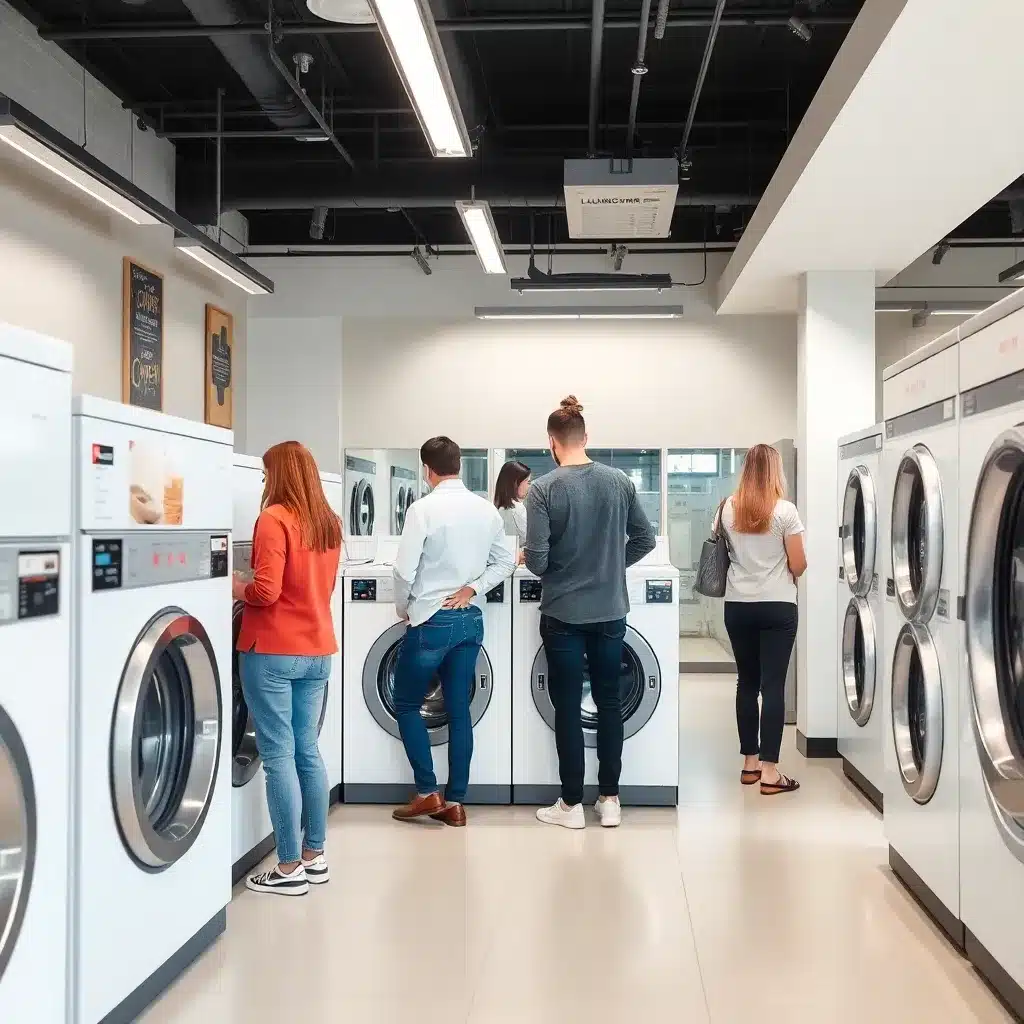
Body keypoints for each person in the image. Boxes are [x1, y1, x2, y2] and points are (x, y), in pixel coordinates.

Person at [525, 397, 656, 829]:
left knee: (566, 707)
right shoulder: (618, 481)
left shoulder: (543, 489)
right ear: (586, 438)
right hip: (611, 611)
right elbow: (644, 539)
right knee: (611, 702)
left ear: (552, 443)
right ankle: (611, 800)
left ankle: (570, 806)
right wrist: (611, 564)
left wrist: (533, 557)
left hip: (562, 614)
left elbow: (540, 562)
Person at [233, 441, 342, 896]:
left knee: (277, 757)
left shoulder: (273, 519)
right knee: (307, 751)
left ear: (277, 476)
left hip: (273, 650)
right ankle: (315, 855)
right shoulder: (329, 523)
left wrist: (232, 585)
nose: (263, 483)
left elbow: (265, 591)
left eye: (264, 475)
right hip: (317, 649)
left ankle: (288, 867)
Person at [390, 436, 516, 826]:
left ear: (427, 470)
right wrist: (473, 588)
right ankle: (456, 803)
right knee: (460, 711)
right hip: (469, 621)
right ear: (458, 465)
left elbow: (402, 571)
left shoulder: (422, 509)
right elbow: (506, 561)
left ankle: (427, 793)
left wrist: (404, 610)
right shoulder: (484, 510)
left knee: (407, 704)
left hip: (430, 620)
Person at [719, 443, 806, 796]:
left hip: (738, 605)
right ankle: (771, 772)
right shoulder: (785, 511)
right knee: (773, 686)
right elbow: (798, 564)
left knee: (746, 682)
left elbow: (724, 553)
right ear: (775, 471)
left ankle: (750, 764)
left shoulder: (727, 508)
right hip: (778, 607)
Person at [494, 459, 531, 556]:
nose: (529, 486)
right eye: (527, 481)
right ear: (515, 483)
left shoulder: (499, 509)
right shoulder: (517, 509)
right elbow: (531, 540)